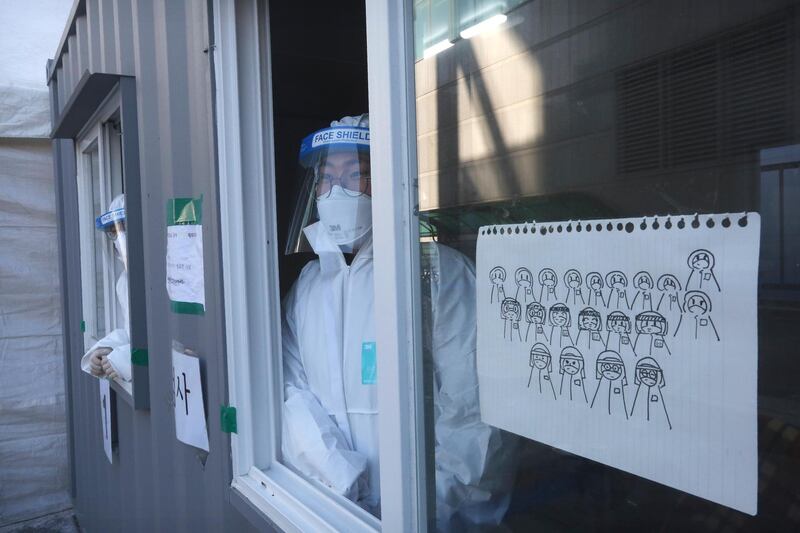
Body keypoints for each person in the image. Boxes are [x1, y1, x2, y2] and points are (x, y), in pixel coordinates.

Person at [280, 115, 515, 527]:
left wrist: (419, 513)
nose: (337, 191)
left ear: (391, 181)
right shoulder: (309, 287)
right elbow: (290, 389)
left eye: (356, 175)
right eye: (327, 178)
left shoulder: (436, 275)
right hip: (332, 510)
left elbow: (476, 419)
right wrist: (339, 479)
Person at [80, 195, 132, 382]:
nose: (120, 238)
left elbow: (181, 342)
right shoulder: (125, 282)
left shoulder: (172, 275)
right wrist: (105, 351)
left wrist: (129, 360)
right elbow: (131, 333)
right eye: (114, 231)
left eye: (125, 227)